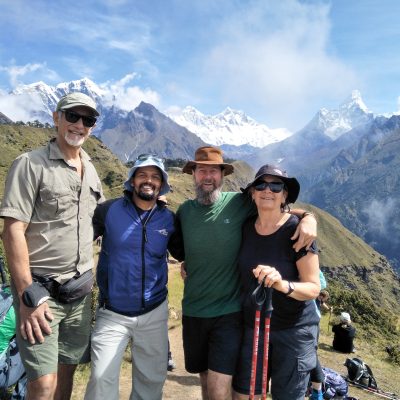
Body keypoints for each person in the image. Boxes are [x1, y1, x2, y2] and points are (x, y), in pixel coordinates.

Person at [176, 147, 317, 400]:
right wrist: (188, 261)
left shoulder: (249, 209)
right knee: (224, 390)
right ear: (193, 174)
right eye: (201, 170)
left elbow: (277, 210)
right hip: (223, 319)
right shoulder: (191, 213)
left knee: (231, 391)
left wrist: (309, 217)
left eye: (214, 171)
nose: (267, 191)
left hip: (259, 322)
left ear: (223, 175)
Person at [0, 92, 103, 400]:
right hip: (40, 295)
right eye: (72, 116)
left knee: (66, 374)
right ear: (56, 118)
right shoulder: (30, 164)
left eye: (88, 120)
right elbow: (12, 230)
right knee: (43, 385)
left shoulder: (90, 167)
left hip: (80, 296)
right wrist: (27, 295)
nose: (79, 125)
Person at [84, 154, 183, 400]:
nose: (148, 180)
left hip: (154, 312)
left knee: (151, 382)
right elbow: (77, 238)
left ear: (162, 184)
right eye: (142, 175)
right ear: (132, 180)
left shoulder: (168, 220)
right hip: (112, 313)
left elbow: (185, 252)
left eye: (155, 176)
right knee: (100, 380)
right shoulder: (107, 211)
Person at [232, 164, 320, 400]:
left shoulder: (297, 232)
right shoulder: (247, 227)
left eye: (276, 185)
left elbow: (313, 287)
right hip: (255, 326)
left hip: (293, 330)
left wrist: (282, 284)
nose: (267, 190)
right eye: (260, 184)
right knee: (244, 394)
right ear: (252, 193)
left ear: (284, 194)